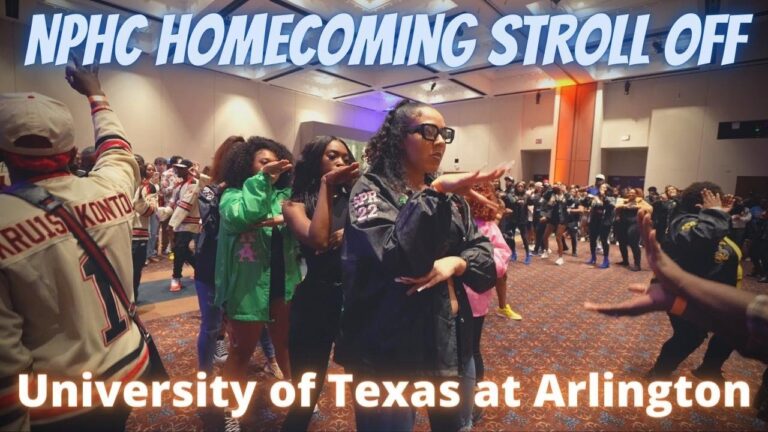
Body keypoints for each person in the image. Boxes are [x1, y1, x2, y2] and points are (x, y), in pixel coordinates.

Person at [0, 58, 149, 431]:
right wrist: (96, 93)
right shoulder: (111, 188)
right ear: (70, 152)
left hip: (62, 401)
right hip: (128, 369)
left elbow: (5, 358)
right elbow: (117, 150)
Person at [336, 100, 500, 431]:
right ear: (399, 137)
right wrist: (435, 192)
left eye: (444, 134)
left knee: (456, 425)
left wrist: (456, 262)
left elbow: (485, 259)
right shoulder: (371, 190)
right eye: (428, 132)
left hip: (449, 337)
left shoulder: (450, 198)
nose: (439, 141)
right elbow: (395, 257)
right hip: (388, 345)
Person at [281, 136, 360, 431]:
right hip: (316, 297)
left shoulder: (360, 198)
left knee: (367, 383)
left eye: (344, 156)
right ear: (316, 161)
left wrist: (349, 235)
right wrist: (327, 185)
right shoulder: (294, 203)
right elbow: (317, 238)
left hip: (357, 299)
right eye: (332, 155)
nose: (340, 161)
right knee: (307, 388)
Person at [215, 137, 297, 410]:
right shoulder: (232, 196)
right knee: (240, 352)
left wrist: (286, 217)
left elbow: (303, 222)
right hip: (247, 287)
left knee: (286, 346)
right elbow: (244, 216)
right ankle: (230, 410)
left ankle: (298, 400)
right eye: (264, 162)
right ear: (247, 164)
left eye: (275, 162)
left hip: (282, 283)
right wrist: (262, 180)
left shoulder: (285, 196)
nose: (271, 166)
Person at [644, 183, 741, 380]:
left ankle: (709, 368)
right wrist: (715, 214)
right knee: (689, 337)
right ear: (700, 207)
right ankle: (659, 372)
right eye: (714, 202)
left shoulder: (711, 221)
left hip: (715, 294)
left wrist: (720, 215)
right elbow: (701, 238)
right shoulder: (685, 222)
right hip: (684, 295)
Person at [194, 136, 244, 376]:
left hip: (242, 266)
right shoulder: (210, 191)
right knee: (211, 325)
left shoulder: (249, 189)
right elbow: (213, 227)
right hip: (211, 267)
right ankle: (205, 373)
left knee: (245, 323)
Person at [131, 155, 169, 302]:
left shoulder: (149, 187)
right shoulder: (121, 183)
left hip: (137, 235)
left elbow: (149, 211)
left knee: (134, 272)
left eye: (138, 163)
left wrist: (138, 200)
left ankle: (132, 301)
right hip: (121, 234)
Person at [167, 159, 202, 292]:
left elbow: (185, 205)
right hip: (180, 222)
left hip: (190, 222)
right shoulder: (179, 185)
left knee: (180, 248)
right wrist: (161, 213)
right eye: (176, 168)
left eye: (181, 168)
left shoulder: (194, 183)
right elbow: (173, 203)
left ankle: (176, 277)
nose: (177, 170)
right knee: (181, 250)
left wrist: (171, 223)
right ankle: (199, 269)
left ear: (188, 169)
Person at [615, 188, 652, 271]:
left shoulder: (640, 201)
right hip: (622, 223)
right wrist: (625, 206)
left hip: (635, 223)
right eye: (629, 193)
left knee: (633, 243)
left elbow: (650, 208)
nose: (630, 194)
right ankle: (625, 261)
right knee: (622, 242)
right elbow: (616, 206)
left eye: (633, 193)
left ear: (637, 194)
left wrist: (636, 206)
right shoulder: (623, 200)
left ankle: (637, 264)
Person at [583, 183, 615, 269]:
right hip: (594, 221)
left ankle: (606, 260)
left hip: (605, 222)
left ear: (607, 190)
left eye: (603, 188)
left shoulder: (611, 198)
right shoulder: (595, 197)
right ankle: (593, 257)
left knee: (604, 240)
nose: (601, 189)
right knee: (592, 239)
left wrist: (603, 196)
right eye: (600, 188)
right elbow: (586, 204)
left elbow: (611, 206)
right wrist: (587, 197)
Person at [502, 180, 532, 265]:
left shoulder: (527, 196)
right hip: (512, 219)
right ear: (516, 187)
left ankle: (527, 255)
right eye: (518, 186)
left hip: (522, 220)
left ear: (524, 188)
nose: (520, 188)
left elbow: (532, 202)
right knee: (511, 238)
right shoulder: (511, 195)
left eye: (522, 186)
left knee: (524, 238)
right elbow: (507, 201)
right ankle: (514, 252)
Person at [540, 182, 570, 265]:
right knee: (545, 236)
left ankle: (560, 258)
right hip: (552, 218)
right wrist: (551, 189)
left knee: (558, 237)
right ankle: (546, 251)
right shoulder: (551, 193)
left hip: (562, 219)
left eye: (560, 185)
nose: (558, 186)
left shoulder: (566, 195)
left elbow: (571, 201)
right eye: (557, 185)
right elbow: (544, 199)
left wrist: (565, 191)